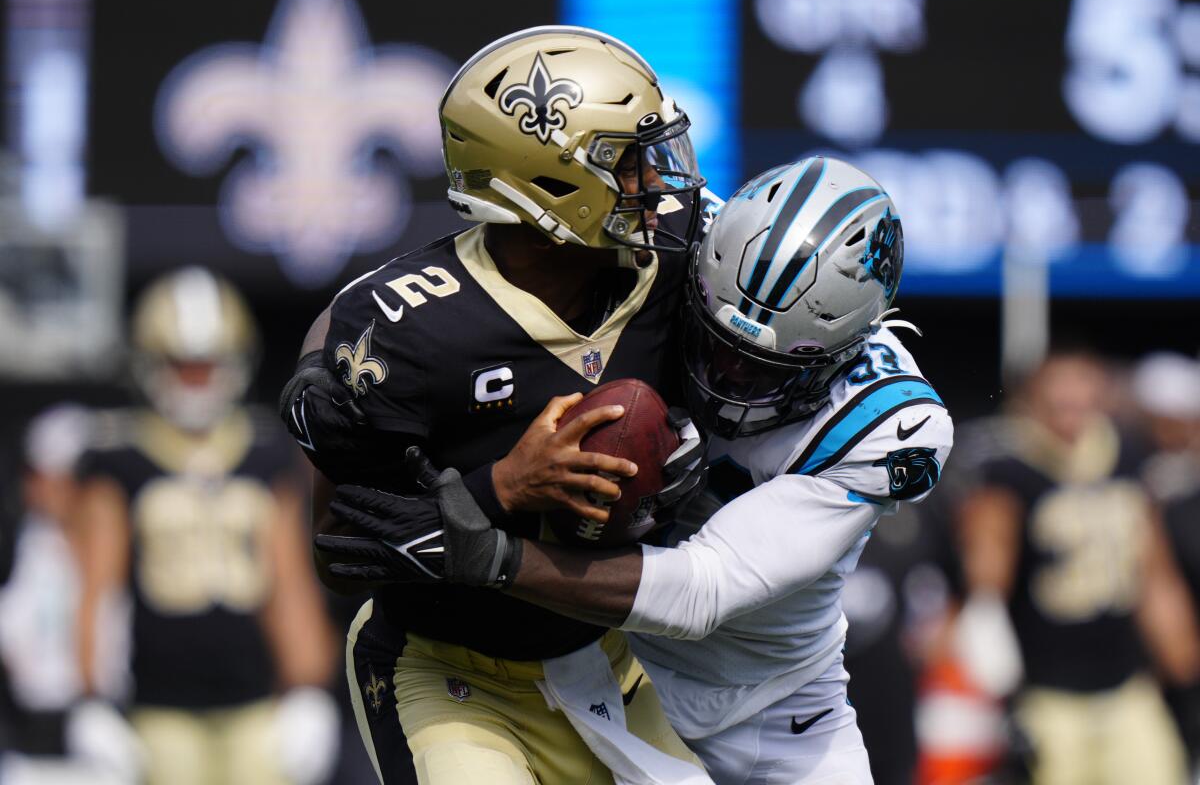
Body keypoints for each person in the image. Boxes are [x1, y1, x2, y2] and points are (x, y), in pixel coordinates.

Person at [316, 157, 955, 784]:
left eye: (763, 370)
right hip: (605, 668)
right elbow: (420, 293)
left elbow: (704, 588)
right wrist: (323, 361)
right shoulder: (673, 235)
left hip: (776, 708)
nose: (727, 379)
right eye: (712, 342)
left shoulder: (887, 425)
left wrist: (493, 555)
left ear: (847, 351)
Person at [281, 26, 712, 785]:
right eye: (628, 161)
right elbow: (337, 549)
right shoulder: (418, 329)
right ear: (550, 184)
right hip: (450, 676)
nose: (658, 182)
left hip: (611, 661)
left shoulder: (675, 256)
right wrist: (501, 489)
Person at [75, 268, 340, 785]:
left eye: (208, 365)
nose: (197, 381)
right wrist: (89, 697)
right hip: (156, 706)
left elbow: (288, 581)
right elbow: (94, 590)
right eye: (182, 366)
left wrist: (309, 686)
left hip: (256, 701)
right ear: (150, 364)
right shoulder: (120, 457)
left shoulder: (264, 452)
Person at [957, 350, 1198, 785]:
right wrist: (983, 611)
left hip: (1127, 684)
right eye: (1059, 396)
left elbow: (1153, 565)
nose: (1071, 407)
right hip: (1049, 692)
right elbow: (987, 565)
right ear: (1035, 400)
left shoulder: (1126, 454)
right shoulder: (1012, 467)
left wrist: (1178, 646)